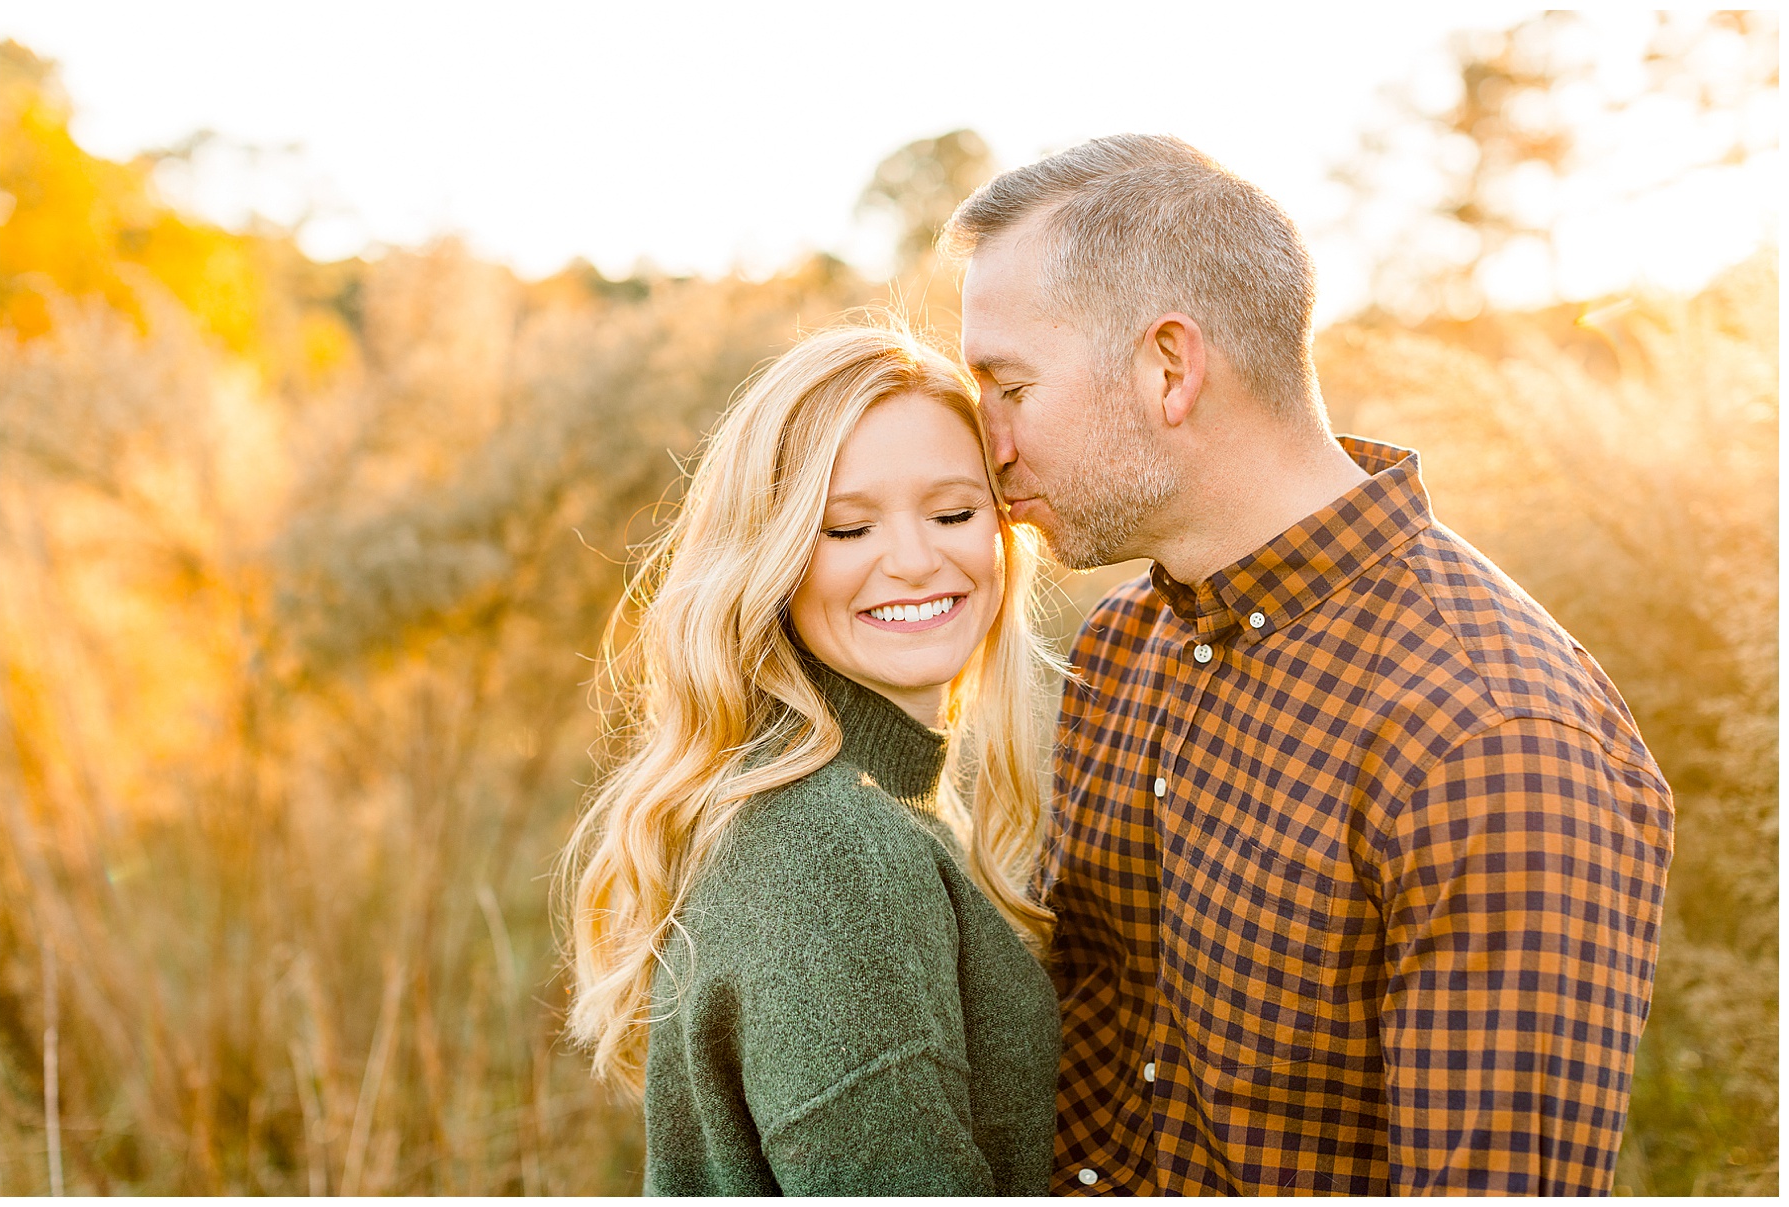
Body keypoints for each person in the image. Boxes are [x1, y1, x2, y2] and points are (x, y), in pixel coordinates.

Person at [944, 135, 1674, 1195]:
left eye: (1009, 386)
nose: (988, 444)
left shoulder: (1493, 741)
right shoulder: (1120, 648)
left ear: (1168, 368)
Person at [557, 323, 1062, 1195]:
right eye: (845, 528)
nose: (913, 560)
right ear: (774, 557)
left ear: (1001, 529)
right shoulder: (830, 843)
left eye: (952, 513)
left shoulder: (876, 803)